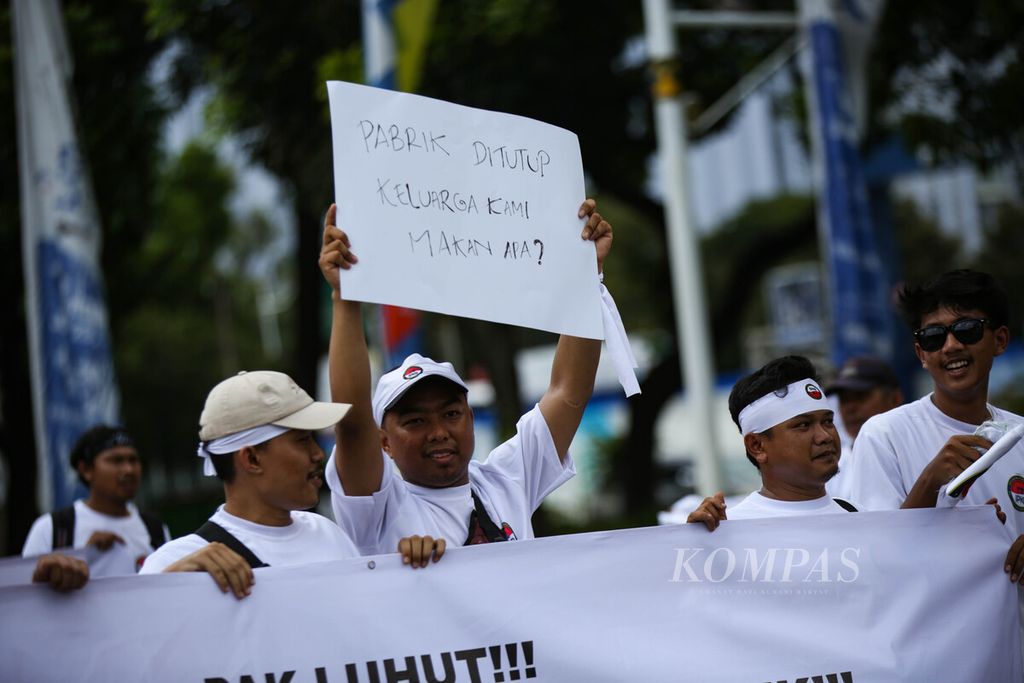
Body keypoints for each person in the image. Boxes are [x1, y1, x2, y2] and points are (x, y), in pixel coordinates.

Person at [318, 200, 611, 554]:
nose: (439, 432)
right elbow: (352, 421)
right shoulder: (377, 511)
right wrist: (344, 297)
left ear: (470, 418)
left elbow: (568, 391)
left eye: (451, 414)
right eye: (415, 421)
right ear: (383, 442)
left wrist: (584, 274)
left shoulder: (506, 481)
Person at [140, 370, 445, 599]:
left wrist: (413, 568)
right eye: (302, 440)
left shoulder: (327, 534)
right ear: (251, 459)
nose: (317, 453)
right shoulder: (176, 562)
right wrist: (171, 588)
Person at [841, 269, 1024, 583]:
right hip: (936, 632)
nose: (950, 346)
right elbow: (872, 562)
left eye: (967, 329)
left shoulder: (1019, 433)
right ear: (921, 353)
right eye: (933, 337)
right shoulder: (884, 435)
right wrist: (930, 482)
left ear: (1000, 340)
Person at [687, 355, 853, 529]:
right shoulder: (726, 529)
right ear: (756, 446)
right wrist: (696, 542)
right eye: (803, 425)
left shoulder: (859, 517)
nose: (825, 436)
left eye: (828, 421)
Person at [21, 425, 170, 576]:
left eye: (133, 460)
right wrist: (83, 557)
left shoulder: (155, 529)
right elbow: (25, 593)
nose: (129, 470)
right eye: (116, 460)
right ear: (86, 470)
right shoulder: (53, 529)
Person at [824, 356, 903, 497]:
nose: (850, 408)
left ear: (894, 399)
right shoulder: (831, 465)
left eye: (860, 396)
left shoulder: (915, 452)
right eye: (844, 399)